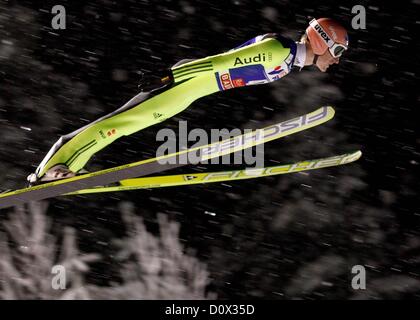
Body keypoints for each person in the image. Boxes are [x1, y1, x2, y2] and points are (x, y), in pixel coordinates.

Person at [27, 17, 349, 185]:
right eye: (337, 51)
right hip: (187, 81)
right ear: (321, 40)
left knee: (123, 126)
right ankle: (48, 169)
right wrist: (171, 76)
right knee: (120, 123)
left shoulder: (289, 62)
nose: (336, 60)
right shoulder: (280, 51)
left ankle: (64, 170)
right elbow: (220, 62)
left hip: (191, 92)